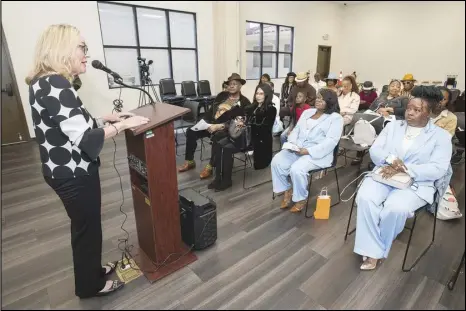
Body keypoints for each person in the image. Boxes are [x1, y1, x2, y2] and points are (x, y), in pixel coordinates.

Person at [26, 24, 150, 298]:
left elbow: (69, 125)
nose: (85, 54)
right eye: (81, 47)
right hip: (72, 173)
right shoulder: (54, 83)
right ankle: (90, 286)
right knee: (86, 230)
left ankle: (92, 271)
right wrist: (125, 125)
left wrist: (105, 119)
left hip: (64, 170)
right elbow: (85, 139)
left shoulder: (44, 81)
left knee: (88, 227)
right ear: (62, 49)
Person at [353, 85, 452, 271]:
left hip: (416, 183)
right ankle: (373, 249)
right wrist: (390, 160)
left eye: (417, 110)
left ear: (429, 113)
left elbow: (438, 168)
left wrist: (407, 168)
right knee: (365, 198)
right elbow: (375, 150)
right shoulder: (393, 127)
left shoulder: (441, 136)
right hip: (385, 175)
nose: (410, 113)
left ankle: (376, 247)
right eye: (409, 108)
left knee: (394, 208)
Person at [271, 89, 343, 213]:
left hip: (318, 154)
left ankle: (300, 199)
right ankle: (288, 189)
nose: (318, 100)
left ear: (330, 102)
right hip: (298, 148)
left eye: (322, 99)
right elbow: (296, 130)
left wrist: (308, 151)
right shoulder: (308, 112)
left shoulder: (335, 118)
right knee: (276, 161)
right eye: (317, 98)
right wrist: (293, 144)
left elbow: (330, 142)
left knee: (297, 169)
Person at [178, 73, 251, 179]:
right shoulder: (222, 95)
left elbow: (239, 124)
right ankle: (190, 161)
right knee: (191, 131)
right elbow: (211, 111)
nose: (231, 86)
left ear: (240, 86)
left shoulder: (244, 102)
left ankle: (210, 166)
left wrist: (219, 126)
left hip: (226, 130)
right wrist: (204, 122)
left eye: (234, 84)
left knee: (218, 136)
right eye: (229, 84)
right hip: (211, 124)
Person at [209, 84, 276, 191]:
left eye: (261, 94)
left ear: (267, 95)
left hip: (256, 140)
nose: (258, 96)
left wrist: (246, 124)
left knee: (225, 149)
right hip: (243, 136)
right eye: (257, 93)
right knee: (218, 144)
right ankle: (218, 178)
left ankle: (226, 180)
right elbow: (238, 115)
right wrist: (240, 119)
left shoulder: (271, 109)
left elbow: (264, 129)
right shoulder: (252, 106)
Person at [431, 86, 461, 220]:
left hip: (438, 150)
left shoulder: (451, 117)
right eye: (436, 97)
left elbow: (445, 140)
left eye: (443, 99)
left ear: (447, 102)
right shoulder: (422, 111)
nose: (439, 101)